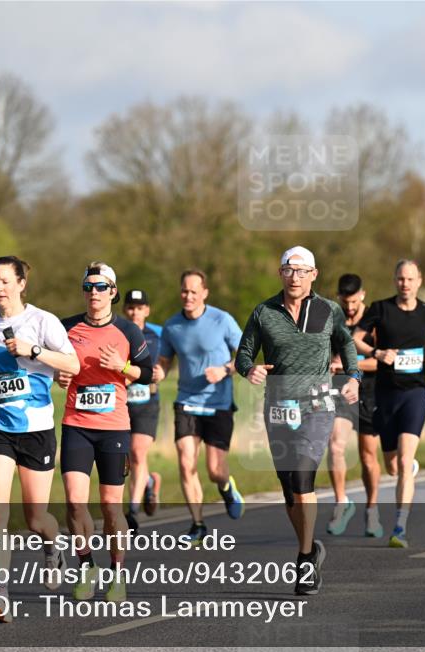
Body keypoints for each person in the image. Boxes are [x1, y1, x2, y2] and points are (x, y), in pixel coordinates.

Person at [236, 246, 360, 595]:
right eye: (289, 270)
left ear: (314, 275)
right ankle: (310, 547)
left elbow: (347, 345)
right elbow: (244, 353)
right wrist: (251, 369)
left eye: (302, 271)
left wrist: (353, 377)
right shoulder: (264, 312)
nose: (295, 277)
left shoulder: (328, 310)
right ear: (280, 274)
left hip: (317, 407)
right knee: (290, 488)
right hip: (277, 408)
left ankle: (305, 560)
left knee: (303, 475)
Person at [0, 256, 80, 622]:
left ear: (21, 284)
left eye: (5, 281)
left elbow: (73, 365)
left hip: (35, 429)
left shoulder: (42, 321)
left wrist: (33, 350)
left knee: (37, 519)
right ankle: (0, 595)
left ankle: (53, 546)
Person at [58, 263, 154, 602]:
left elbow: (149, 373)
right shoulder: (66, 327)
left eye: (101, 287)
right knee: (73, 502)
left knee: (111, 507)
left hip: (113, 426)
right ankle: (86, 567)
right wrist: (60, 377)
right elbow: (54, 365)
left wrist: (122, 367)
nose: (94, 293)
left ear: (113, 291)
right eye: (89, 287)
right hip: (76, 424)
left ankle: (117, 573)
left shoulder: (128, 330)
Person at [353, 260, 425, 548]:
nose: (405, 284)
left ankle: (399, 528)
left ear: (419, 281)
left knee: (405, 462)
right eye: (400, 279)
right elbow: (355, 339)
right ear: (394, 280)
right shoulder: (380, 309)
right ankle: (405, 469)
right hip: (385, 395)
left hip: (415, 394)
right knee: (393, 467)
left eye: (410, 279)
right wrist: (376, 351)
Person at [158, 269, 245, 545]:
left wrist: (224, 370)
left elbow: (245, 356)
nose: (189, 296)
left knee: (215, 471)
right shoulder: (172, 327)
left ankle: (227, 488)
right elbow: (163, 362)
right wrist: (153, 375)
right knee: (186, 463)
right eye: (184, 290)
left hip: (218, 404)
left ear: (205, 293)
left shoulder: (222, 320)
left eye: (194, 291)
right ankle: (197, 524)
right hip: (187, 402)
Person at [325, 274, 381, 537]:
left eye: (354, 301)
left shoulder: (374, 321)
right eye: (345, 301)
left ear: (363, 295)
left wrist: (350, 365)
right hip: (342, 392)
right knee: (335, 444)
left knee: (368, 457)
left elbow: (381, 362)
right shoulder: (333, 321)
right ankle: (341, 503)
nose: (350, 307)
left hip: (369, 393)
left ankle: (372, 510)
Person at [122, 289, 164, 532]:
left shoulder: (158, 334)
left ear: (147, 310)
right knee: (127, 459)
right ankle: (149, 481)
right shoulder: (117, 332)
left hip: (147, 403)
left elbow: (166, 361)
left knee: (138, 453)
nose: (134, 312)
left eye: (139, 308)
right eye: (130, 307)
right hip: (122, 402)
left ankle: (133, 512)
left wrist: (162, 372)